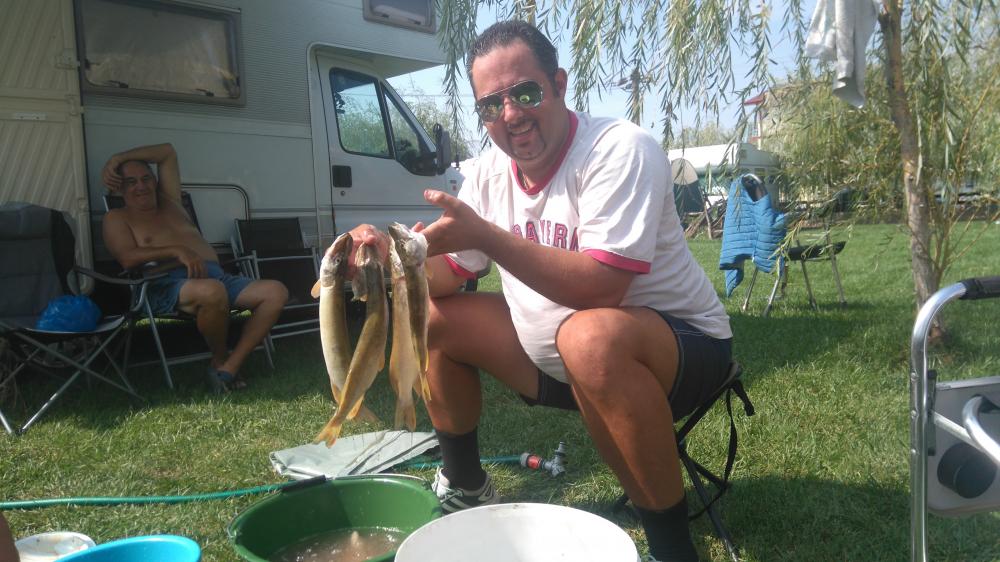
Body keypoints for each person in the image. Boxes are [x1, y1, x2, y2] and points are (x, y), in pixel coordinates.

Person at [349, 20, 731, 562]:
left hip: (681, 354)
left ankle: (674, 552)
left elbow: (603, 286)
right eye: (490, 105)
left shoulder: (620, 149)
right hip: (557, 362)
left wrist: (488, 236)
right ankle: (466, 485)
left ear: (559, 84)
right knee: (433, 316)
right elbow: (447, 275)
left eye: (525, 92)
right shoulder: (488, 173)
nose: (510, 114)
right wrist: (387, 263)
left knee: (588, 338)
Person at [102, 143, 288, 392]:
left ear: (155, 181)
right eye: (131, 182)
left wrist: (117, 158)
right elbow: (127, 258)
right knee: (212, 291)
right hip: (164, 283)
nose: (141, 186)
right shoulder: (117, 217)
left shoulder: (171, 202)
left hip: (216, 276)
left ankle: (230, 366)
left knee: (276, 292)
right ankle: (219, 359)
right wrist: (176, 251)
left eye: (146, 179)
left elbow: (167, 152)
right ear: (120, 188)